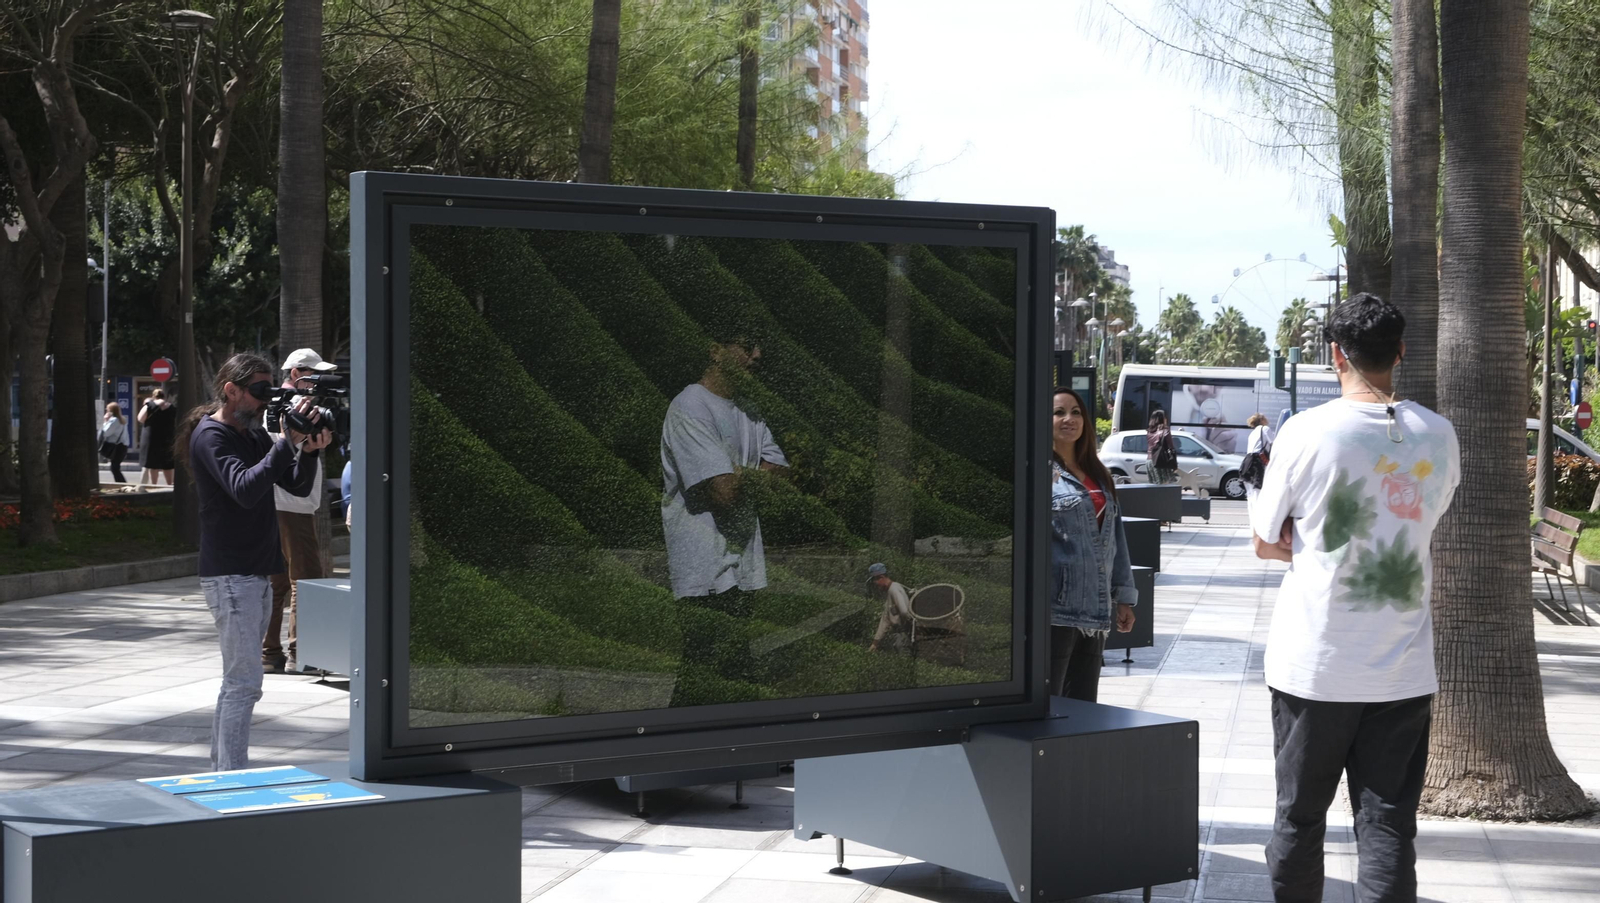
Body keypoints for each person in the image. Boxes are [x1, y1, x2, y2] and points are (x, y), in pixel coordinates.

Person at [1250, 293, 1461, 903]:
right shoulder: (1438, 434)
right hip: (1402, 669)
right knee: (1388, 823)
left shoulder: (1305, 431)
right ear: (1400, 351)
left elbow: (1265, 540)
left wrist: (1310, 543)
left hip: (1314, 666)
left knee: (1299, 818)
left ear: (1335, 354)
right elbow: (1424, 522)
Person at [175, 352, 330, 771]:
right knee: (243, 683)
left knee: (240, 683)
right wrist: (286, 442)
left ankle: (223, 770)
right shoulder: (211, 436)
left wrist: (309, 450)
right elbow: (244, 489)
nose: (266, 399)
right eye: (260, 390)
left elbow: (295, 486)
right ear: (231, 390)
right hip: (230, 575)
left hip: (254, 572)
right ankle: (230, 774)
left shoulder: (253, 434)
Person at [660, 329, 788, 704]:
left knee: (725, 673)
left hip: (742, 564)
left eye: (759, 347)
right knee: (705, 671)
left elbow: (781, 472)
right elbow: (724, 493)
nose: (757, 355)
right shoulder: (690, 406)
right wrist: (754, 476)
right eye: (747, 346)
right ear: (716, 351)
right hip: (705, 568)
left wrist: (738, 473)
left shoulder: (749, 410)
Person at [1050, 387, 1136, 701]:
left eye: (1076, 412)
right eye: (1058, 412)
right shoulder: (1042, 473)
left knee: (1084, 707)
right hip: (1056, 611)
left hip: (1095, 612)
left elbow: (1116, 540)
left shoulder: (1098, 474)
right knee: (1052, 703)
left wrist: (1124, 598)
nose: (1069, 419)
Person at [264, 348, 337, 673]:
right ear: (295, 373)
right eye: (313, 374)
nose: (318, 381)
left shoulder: (275, 405)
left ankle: (269, 653)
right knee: (305, 581)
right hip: (293, 506)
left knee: (277, 583)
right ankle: (301, 652)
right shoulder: (298, 408)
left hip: (272, 504)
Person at [866, 562, 913, 653]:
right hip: (899, 634)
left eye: (875, 581)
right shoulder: (890, 591)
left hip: (903, 633)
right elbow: (885, 619)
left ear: (881, 577)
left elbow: (904, 611)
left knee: (904, 657)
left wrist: (909, 626)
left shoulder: (894, 589)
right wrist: (875, 643)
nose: (875, 584)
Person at [138, 388, 177, 485]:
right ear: (164, 396)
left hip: (151, 437)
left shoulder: (149, 406)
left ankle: (154, 485)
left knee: (153, 464)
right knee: (167, 464)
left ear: (153, 396)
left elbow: (140, 418)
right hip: (167, 438)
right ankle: (170, 485)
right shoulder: (171, 407)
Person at [1242, 412, 1272, 504]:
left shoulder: (1253, 433)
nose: (1267, 420)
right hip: (1258, 461)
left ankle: (1253, 510)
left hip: (1247, 462)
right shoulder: (1265, 429)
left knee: (1250, 492)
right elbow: (1274, 443)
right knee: (1259, 490)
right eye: (1265, 418)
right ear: (1262, 420)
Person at [98, 402, 129, 483]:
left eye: (107, 410)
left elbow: (106, 432)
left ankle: (123, 484)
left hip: (117, 447)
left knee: (115, 468)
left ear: (111, 411)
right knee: (115, 467)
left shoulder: (114, 420)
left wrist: (105, 421)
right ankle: (122, 484)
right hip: (122, 446)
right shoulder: (122, 419)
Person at [1146, 409, 1179, 485]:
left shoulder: (1149, 431)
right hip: (1160, 462)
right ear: (1162, 419)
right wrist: (1175, 465)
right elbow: (1171, 448)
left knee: (1154, 486)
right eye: (1165, 417)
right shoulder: (1165, 431)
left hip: (1149, 461)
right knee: (1165, 486)